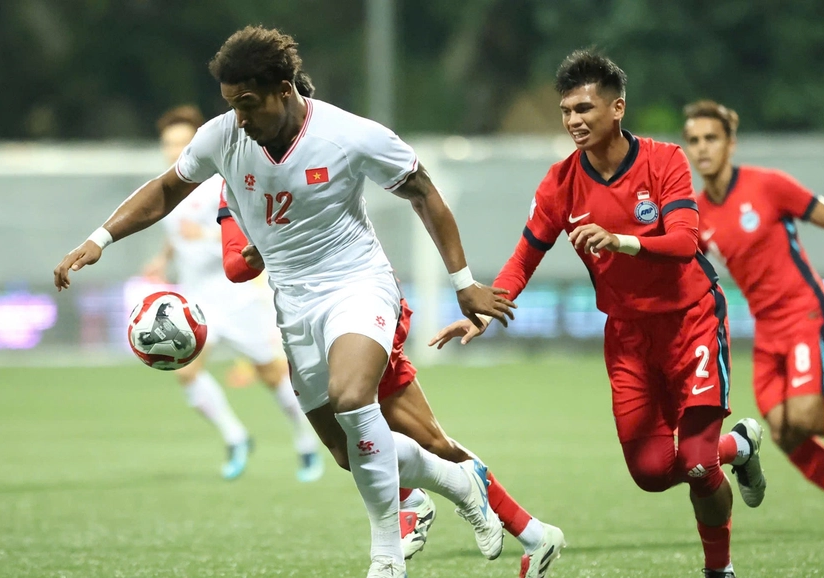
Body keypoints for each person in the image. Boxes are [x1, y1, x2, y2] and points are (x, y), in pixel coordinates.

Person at [54, 25, 515, 578]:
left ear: (285, 88)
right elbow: (166, 189)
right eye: (231, 104)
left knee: (352, 398)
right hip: (294, 301)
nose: (240, 117)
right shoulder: (224, 136)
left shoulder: (348, 134)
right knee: (347, 451)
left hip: (357, 283)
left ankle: (386, 558)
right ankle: (459, 482)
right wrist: (100, 238)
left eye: (248, 103)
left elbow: (424, 192)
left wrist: (463, 281)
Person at [430, 50, 766, 578]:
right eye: (566, 111)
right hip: (628, 337)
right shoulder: (560, 183)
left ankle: (718, 569)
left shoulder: (665, 160)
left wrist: (621, 240)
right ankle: (740, 445)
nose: (574, 120)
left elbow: (684, 243)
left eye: (584, 108)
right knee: (652, 472)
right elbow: (526, 256)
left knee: (698, 464)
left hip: (691, 321)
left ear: (617, 108)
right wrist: (486, 310)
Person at [220, 187, 565, 577]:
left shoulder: (309, 158)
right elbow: (234, 266)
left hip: (358, 305)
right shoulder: (232, 179)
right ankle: (529, 532)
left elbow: (409, 188)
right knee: (354, 451)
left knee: (400, 436)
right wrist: (257, 253)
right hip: (306, 322)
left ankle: (408, 525)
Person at [682, 100, 824, 538]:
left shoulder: (768, 185)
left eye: (711, 138)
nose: (702, 148)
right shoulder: (697, 215)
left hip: (806, 313)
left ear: (730, 144)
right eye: (694, 140)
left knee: (807, 417)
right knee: (781, 430)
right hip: (767, 329)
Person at [141, 104, 323, 482]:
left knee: (272, 375)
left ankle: (307, 441)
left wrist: (206, 235)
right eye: (168, 143)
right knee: (186, 372)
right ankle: (235, 437)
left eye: (181, 143)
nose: (174, 151)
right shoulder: (169, 187)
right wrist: (162, 259)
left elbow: (249, 234)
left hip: (236, 297)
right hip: (196, 301)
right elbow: (178, 233)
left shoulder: (219, 184)